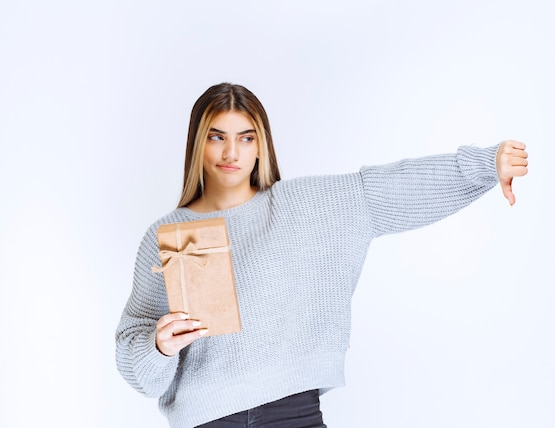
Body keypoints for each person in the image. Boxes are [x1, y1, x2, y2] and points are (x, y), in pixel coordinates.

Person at [115, 82, 529, 428]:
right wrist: (159, 346)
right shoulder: (167, 235)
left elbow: (390, 188)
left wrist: (485, 165)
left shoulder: (307, 207)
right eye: (216, 137)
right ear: (197, 143)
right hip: (205, 419)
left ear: (262, 145)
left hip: (293, 414)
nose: (230, 153)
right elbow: (134, 354)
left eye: (245, 137)